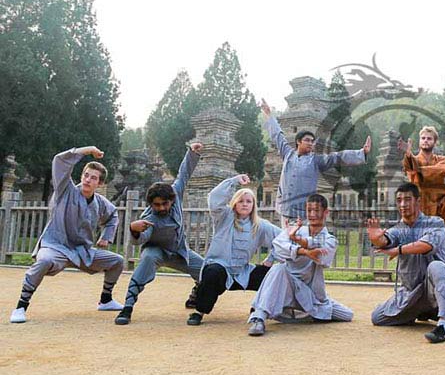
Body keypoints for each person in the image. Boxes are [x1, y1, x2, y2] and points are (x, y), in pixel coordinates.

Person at [10, 147, 124, 323]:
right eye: (86, 175)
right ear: (81, 176)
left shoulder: (100, 202)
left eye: (93, 178)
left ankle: (106, 300)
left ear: (100, 184)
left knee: (117, 261)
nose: (88, 179)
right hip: (56, 246)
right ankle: (20, 307)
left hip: (83, 251)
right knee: (45, 260)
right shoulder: (65, 190)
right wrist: (87, 151)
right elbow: (59, 161)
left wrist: (106, 236)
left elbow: (112, 216)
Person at [115, 143, 205, 325]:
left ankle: (197, 292)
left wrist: (192, 153)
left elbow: (183, 175)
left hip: (179, 252)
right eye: (156, 205)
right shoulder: (149, 218)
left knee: (207, 270)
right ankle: (127, 307)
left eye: (165, 204)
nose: (161, 208)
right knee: (147, 259)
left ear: (171, 200)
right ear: (151, 204)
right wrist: (134, 229)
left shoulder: (176, 195)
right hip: (156, 251)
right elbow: (139, 241)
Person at [366, 182, 445, 343]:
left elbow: (426, 245)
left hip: (434, 289)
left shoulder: (435, 223)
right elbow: (385, 240)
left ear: (418, 201)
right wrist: (377, 238)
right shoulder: (397, 229)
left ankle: (444, 325)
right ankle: (417, 311)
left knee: (437, 267)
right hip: (410, 292)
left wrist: (398, 250)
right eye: (399, 200)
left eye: (408, 199)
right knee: (377, 317)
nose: (403, 204)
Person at [247, 194, 353, 336]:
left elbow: (321, 254)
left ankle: (309, 312)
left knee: (347, 314)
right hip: (287, 287)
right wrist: (300, 250)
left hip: (310, 293)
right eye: (309, 211)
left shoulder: (329, 239)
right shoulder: (294, 229)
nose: (312, 215)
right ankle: (259, 317)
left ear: (326, 213)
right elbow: (278, 246)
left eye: (316, 211)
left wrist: (297, 240)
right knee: (279, 268)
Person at [186, 174, 282, 326]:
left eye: (249, 201)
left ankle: (260, 309)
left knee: (273, 274)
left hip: (242, 272)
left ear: (253, 205)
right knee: (213, 272)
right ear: (234, 203)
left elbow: (282, 239)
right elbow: (214, 199)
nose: (245, 204)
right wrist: (234, 180)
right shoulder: (224, 216)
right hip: (220, 268)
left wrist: (271, 259)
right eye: (241, 201)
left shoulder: (260, 225)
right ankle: (199, 311)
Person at [260, 99, 370, 226]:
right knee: (285, 243)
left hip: (303, 214)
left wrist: (361, 153)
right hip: (284, 210)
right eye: (307, 140)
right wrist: (269, 114)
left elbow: (337, 157)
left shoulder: (316, 160)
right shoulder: (288, 154)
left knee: (301, 242)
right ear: (298, 142)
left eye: (312, 141)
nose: (310, 143)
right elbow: (278, 136)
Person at [399, 126, 445, 248]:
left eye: (429, 138)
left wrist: (418, 170)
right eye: (423, 138)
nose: (425, 140)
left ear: (435, 142)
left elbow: (441, 170)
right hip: (421, 207)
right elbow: (409, 169)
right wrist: (409, 156)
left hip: (441, 206)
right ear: (419, 141)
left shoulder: (444, 160)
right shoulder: (412, 160)